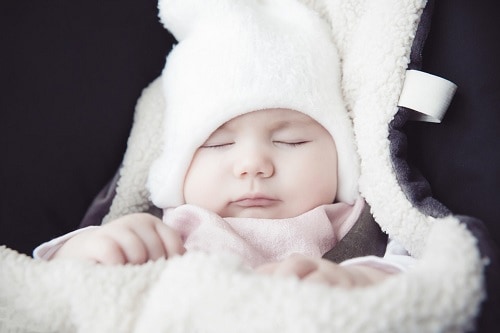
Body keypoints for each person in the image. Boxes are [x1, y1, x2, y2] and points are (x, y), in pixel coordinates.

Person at [34, 0, 413, 287]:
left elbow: (425, 275)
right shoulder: (167, 228)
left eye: (291, 140)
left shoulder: (360, 221)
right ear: (177, 169)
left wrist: (359, 281)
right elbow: (46, 283)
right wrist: (90, 249)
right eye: (216, 145)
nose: (252, 165)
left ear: (340, 153)